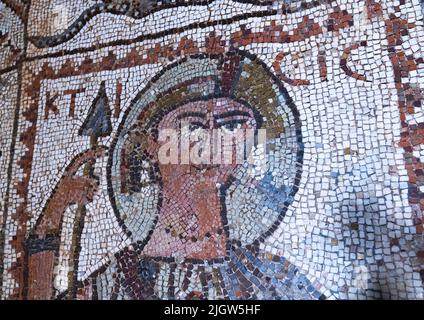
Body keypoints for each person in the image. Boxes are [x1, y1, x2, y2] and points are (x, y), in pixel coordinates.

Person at [29, 51, 325, 300]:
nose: (213, 142)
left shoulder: (271, 279)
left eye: (232, 125)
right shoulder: (117, 282)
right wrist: (53, 215)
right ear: (150, 145)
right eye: (192, 125)